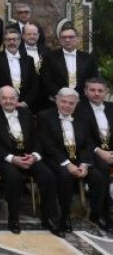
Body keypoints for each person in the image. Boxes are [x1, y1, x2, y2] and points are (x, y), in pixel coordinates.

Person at [0, 86, 62, 235]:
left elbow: (37, 138)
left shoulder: (27, 114)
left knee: (48, 176)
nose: (8, 101)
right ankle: (14, 219)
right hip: (5, 158)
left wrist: (35, 156)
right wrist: (12, 159)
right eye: (4, 98)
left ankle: (49, 218)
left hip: (28, 156)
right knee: (14, 177)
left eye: (11, 98)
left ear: (17, 99)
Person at [38, 87, 107, 233]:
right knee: (65, 176)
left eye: (71, 103)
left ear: (76, 104)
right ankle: (64, 216)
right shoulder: (44, 116)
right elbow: (48, 145)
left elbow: (87, 144)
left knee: (98, 178)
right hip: (56, 158)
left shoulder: (82, 118)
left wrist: (84, 165)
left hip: (79, 159)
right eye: (63, 102)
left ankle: (96, 214)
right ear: (57, 101)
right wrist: (68, 164)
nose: (67, 106)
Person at [75, 77, 113, 231]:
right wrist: (99, 151)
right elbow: (82, 137)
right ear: (85, 91)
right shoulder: (78, 109)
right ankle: (101, 214)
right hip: (89, 152)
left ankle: (101, 213)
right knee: (101, 172)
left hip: (110, 153)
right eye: (92, 90)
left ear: (106, 92)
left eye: (100, 90)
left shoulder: (111, 107)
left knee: (103, 170)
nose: (96, 93)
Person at [42, 23, 99, 100]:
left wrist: (86, 94)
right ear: (59, 40)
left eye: (71, 37)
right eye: (64, 37)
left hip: (83, 99)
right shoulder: (50, 57)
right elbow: (46, 80)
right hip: (58, 100)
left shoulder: (88, 58)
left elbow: (93, 78)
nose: (67, 40)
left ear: (77, 39)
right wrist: (59, 95)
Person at [0, 27, 38, 109]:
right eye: (8, 40)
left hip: (24, 105)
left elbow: (34, 84)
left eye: (14, 39)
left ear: (19, 41)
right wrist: (5, 101)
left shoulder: (29, 59)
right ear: (4, 42)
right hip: (3, 105)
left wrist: (26, 102)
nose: (12, 42)